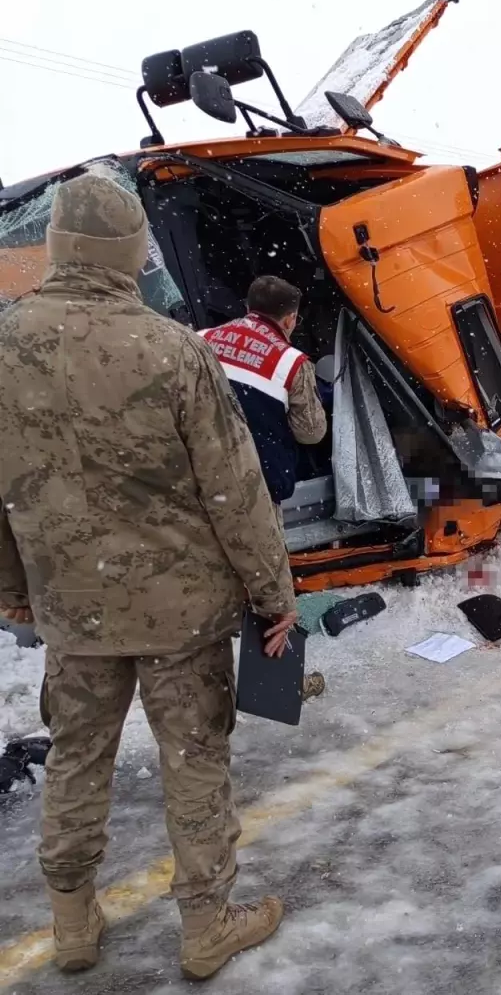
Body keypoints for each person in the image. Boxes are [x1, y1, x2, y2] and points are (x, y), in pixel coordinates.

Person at [0, 173, 298, 979]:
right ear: (134, 252)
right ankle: (206, 924)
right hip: (182, 610)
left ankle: (71, 922)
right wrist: (274, 595)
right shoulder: (172, 348)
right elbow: (234, 491)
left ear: (58, 246)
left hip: (75, 608)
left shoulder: (6, 344)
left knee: (76, 756)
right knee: (195, 758)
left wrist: (13, 587)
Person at [199, 276, 327, 507]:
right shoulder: (293, 363)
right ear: (290, 320)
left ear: (248, 307)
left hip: (199, 473)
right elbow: (311, 433)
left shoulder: (201, 338)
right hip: (256, 488)